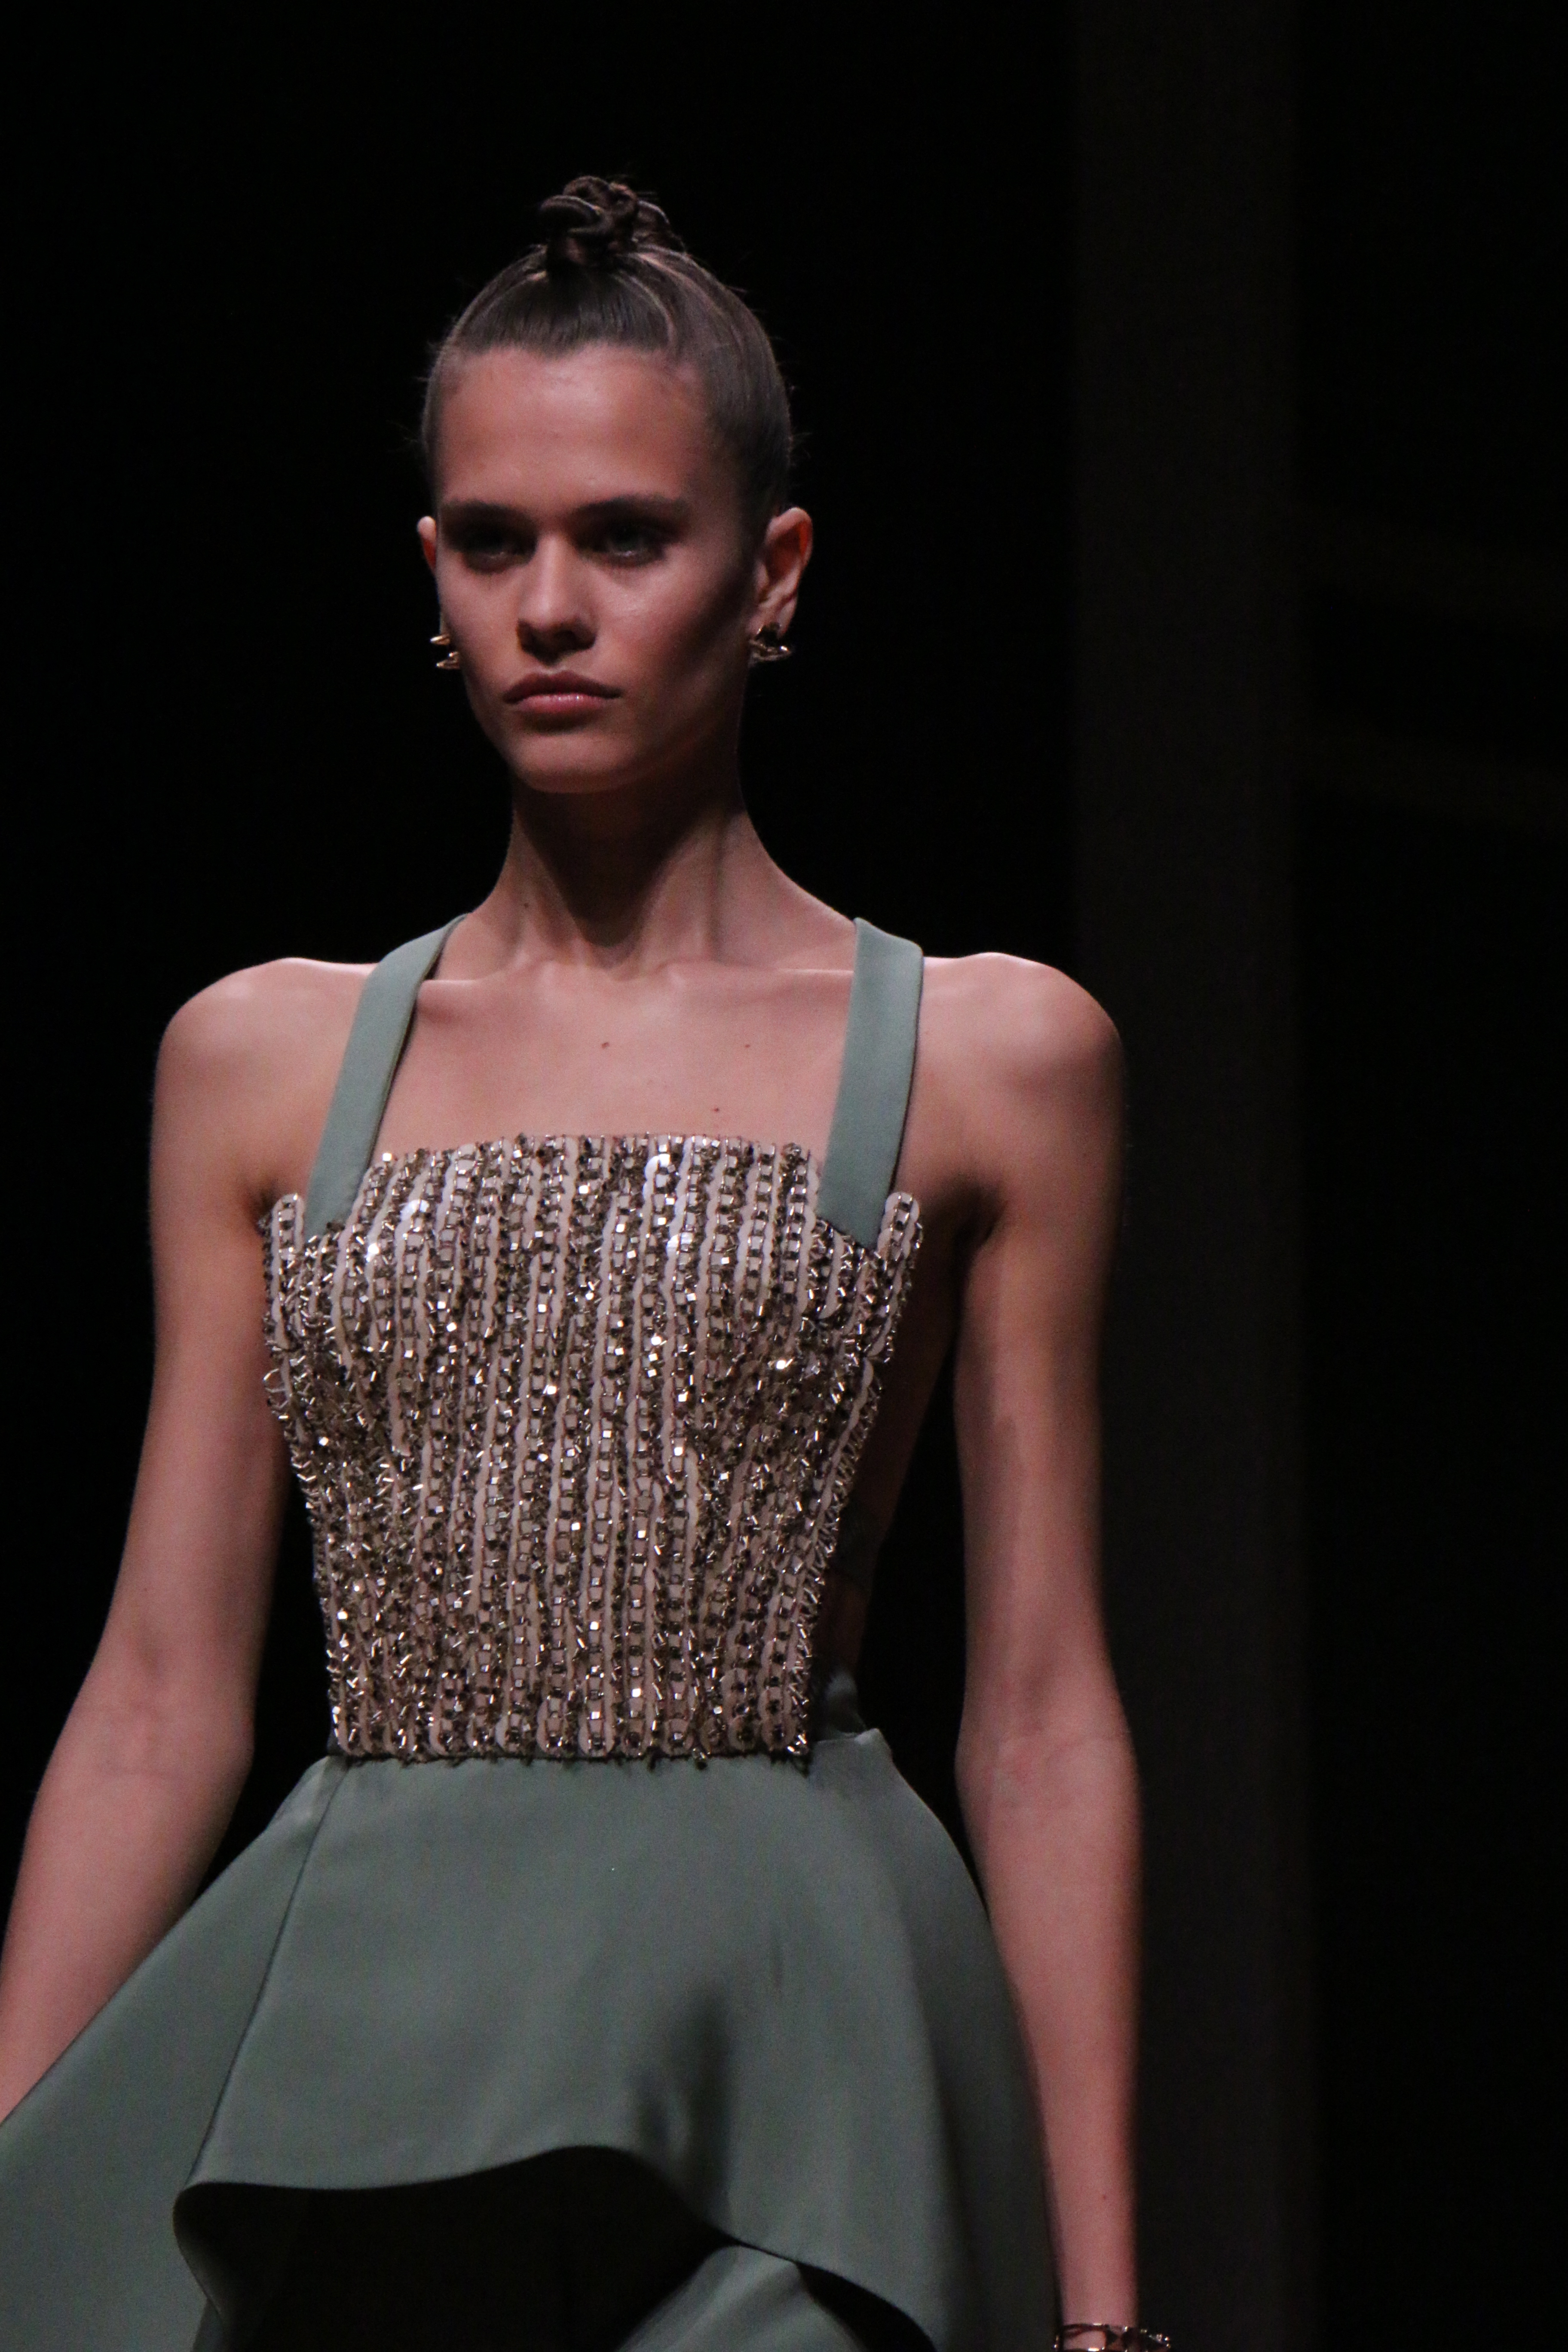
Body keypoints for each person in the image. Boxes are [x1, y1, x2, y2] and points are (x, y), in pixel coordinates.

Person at [0, 179, 1144, 2352]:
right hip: (374, 2029)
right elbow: (157, 1696)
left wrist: (1102, 2311)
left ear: (772, 571)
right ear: (429, 575)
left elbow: (1043, 1710)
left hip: (799, 2030)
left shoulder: (993, 1058)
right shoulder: (259, 1061)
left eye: (626, 538)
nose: (550, 607)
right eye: (490, 539)